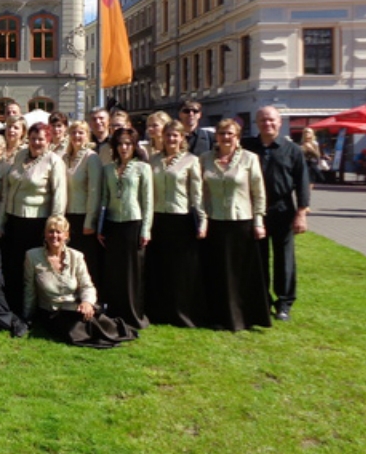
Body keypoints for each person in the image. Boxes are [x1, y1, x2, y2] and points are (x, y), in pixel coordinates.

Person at [23, 216, 138, 348]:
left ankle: (114, 330)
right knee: (76, 329)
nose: (54, 235)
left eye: (58, 232)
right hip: (52, 313)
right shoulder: (32, 256)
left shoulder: (77, 256)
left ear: (66, 235)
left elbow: (87, 285)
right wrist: (27, 317)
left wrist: (87, 302)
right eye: (50, 231)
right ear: (45, 234)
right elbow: (29, 289)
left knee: (94, 320)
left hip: (75, 307)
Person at [201, 118, 271, 331]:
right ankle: (219, 316)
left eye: (230, 133)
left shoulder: (250, 159)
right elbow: (201, 194)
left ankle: (243, 317)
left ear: (237, 137)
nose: (226, 137)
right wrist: (202, 219)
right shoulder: (205, 159)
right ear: (216, 136)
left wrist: (259, 221)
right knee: (218, 272)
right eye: (222, 133)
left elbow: (259, 193)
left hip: (242, 222)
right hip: (215, 222)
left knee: (241, 273)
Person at [242, 106, 310, 322]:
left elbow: (303, 184)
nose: (267, 124)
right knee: (258, 258)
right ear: (256, 123)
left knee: (284, 259)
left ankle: (284, 303)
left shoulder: (293, 150)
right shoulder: (247, 147)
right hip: (253, 211)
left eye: (271, 120)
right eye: (262, 120)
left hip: (282, 210)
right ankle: (261, 300)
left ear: (279, 123)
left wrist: (301, 213)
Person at [0, 121, 66, 317]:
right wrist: (1, 221)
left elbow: (59, 196)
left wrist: (54, 228)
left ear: (49, 140)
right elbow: (8, 189)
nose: (36, 142)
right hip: (14, 219)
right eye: (33, 138)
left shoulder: (54, 161)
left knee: (34, 269)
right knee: (14, 266)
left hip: (37, 223)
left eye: (41, 139)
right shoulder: (20, 156)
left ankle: (34, 311)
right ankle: (13, 306)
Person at [147, 121, 206, 327]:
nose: (171, 139)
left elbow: (196, 194)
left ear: (182, 138)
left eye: (175, 136)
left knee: (180, 270)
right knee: (159, 267)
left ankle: (181, 312)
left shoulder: (191, 161)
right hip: (157, 218)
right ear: (162, 137)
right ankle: (159, 311)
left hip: (180, 218)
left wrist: (202, 220)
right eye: (168, 135)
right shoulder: (154, 160)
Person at [98, 127, 152, 330]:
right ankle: (114, 311)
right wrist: (100, 226)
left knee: (132, 271)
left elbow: (147, 201)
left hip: (133, 222)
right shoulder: (108, 169)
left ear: (134, 145)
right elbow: (104, 198)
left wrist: (146, 229)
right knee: (114, 271)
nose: (123, 148)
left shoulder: (142, 168)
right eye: (120, 144)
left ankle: (133, 313)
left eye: (128, 144)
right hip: (112, 223)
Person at [63, 120, 103, 295]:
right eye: (74, 132)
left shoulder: (91, 157)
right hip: (66, 216)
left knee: (85, 261)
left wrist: (90, 220)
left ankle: (89, 298)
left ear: (87, 136)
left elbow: (95, 191)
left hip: (83, 218)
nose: (77, 136)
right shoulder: (64, 157)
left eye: (81, 133)